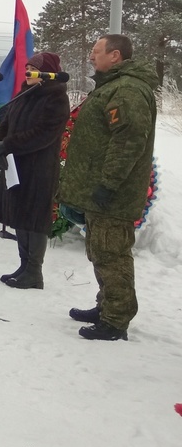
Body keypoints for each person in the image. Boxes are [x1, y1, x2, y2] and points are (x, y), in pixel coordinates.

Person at [59, 34, 157, 341]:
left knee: (112, 254)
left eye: (95, 51)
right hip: (100, 189)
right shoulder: (114, 87)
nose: (91, 56)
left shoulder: (126, 90)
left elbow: (128, 141)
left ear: (114, 56)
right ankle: (106, 306)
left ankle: (115, 320)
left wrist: (109, 183)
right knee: (101, 251)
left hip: (114, 193)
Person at [0, 51, 71, 290]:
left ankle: (34, 271)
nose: (27, 71)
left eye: (33, 68)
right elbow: (7, 121)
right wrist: (1, 141)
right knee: (19, 214)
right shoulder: (26, 93)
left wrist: (9, 144)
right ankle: (24, 264)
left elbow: (44, 134)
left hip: (38, 168)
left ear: (47, 73)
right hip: (16, 165)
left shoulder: (56, 98)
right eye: (26, 67)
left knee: (34, 218)